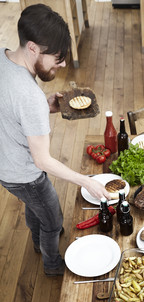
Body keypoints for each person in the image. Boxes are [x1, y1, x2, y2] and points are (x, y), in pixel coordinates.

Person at [0, 4, 111, 276]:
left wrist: (42, 109)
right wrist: (86, 180)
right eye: (58, 58)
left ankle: (37, 243)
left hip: (5, 162)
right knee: (53, 220)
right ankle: (51, 266)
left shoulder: (4, 58)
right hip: (24, 173)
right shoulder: (29, 96)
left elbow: (10, 105)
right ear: (33, 48)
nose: (62, 66)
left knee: (33, 205)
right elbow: (42, 160)